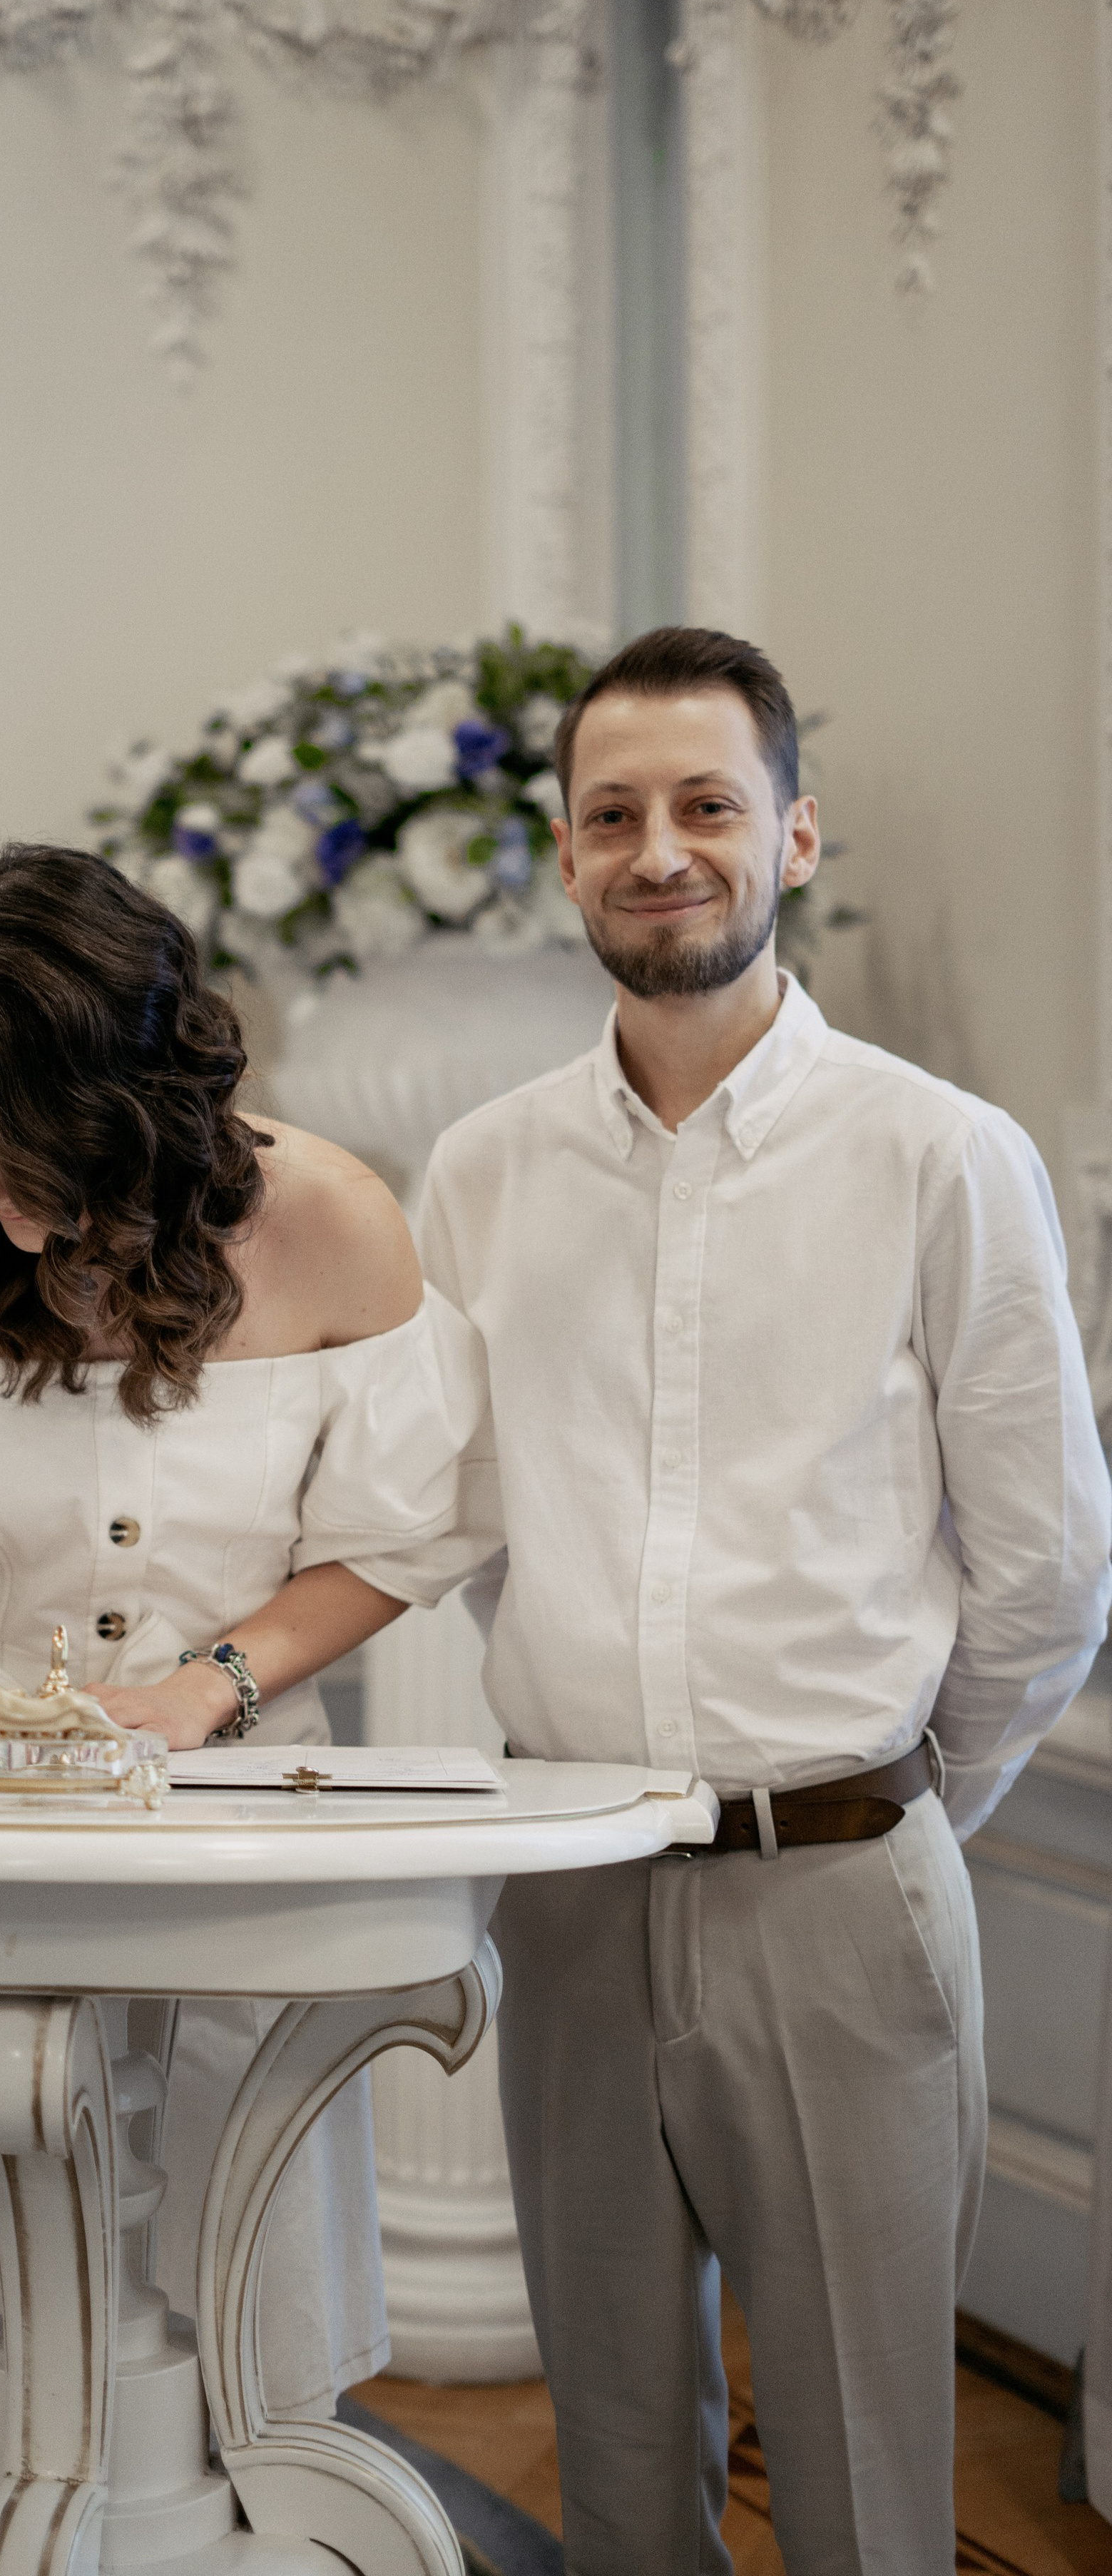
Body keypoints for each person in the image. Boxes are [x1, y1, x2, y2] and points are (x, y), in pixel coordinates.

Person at [419, 626, 1112, 2575]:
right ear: (565, 853)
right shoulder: (477, 1176)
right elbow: (463, 1527)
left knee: (865, 2486)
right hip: (570, 1898)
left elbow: (1048, 1567)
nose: (659, 851)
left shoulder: (940, 1156)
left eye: (706, 805)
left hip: (840, 1894)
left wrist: (890, 1806)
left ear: (792, 835)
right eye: (612, 814)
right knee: (617, 2466)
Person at [0, 841, 489, 2433]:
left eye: (30, 1153)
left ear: (146, 1105)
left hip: (240, 1829)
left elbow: (393, 1540)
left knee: (221, 2329)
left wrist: (209, 1686)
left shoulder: (335, 1223)